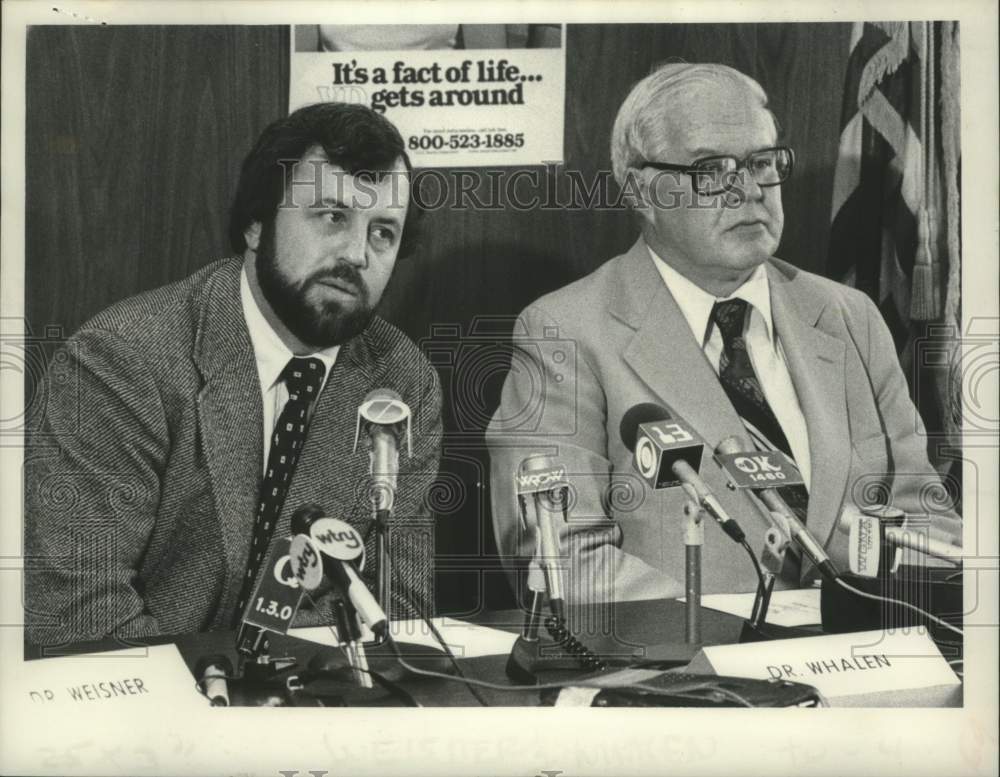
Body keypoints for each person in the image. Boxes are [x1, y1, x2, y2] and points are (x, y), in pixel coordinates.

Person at [486, 63, 961, 604]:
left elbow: (925, 520)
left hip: (867, 661)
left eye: (762, 162)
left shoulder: (849, 316)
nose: (749, 189)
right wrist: (733, 642)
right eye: (711, 168)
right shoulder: (564, 332)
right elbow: (560, 560)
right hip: (690, 676)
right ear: (643, 193)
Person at [25, 102, 443, 645]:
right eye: (332, 217)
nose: (357, 254)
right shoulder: (121, 359)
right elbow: (75, 610)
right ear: (256, 222)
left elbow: (396, 603)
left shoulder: (402, 383)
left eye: (383, 232)